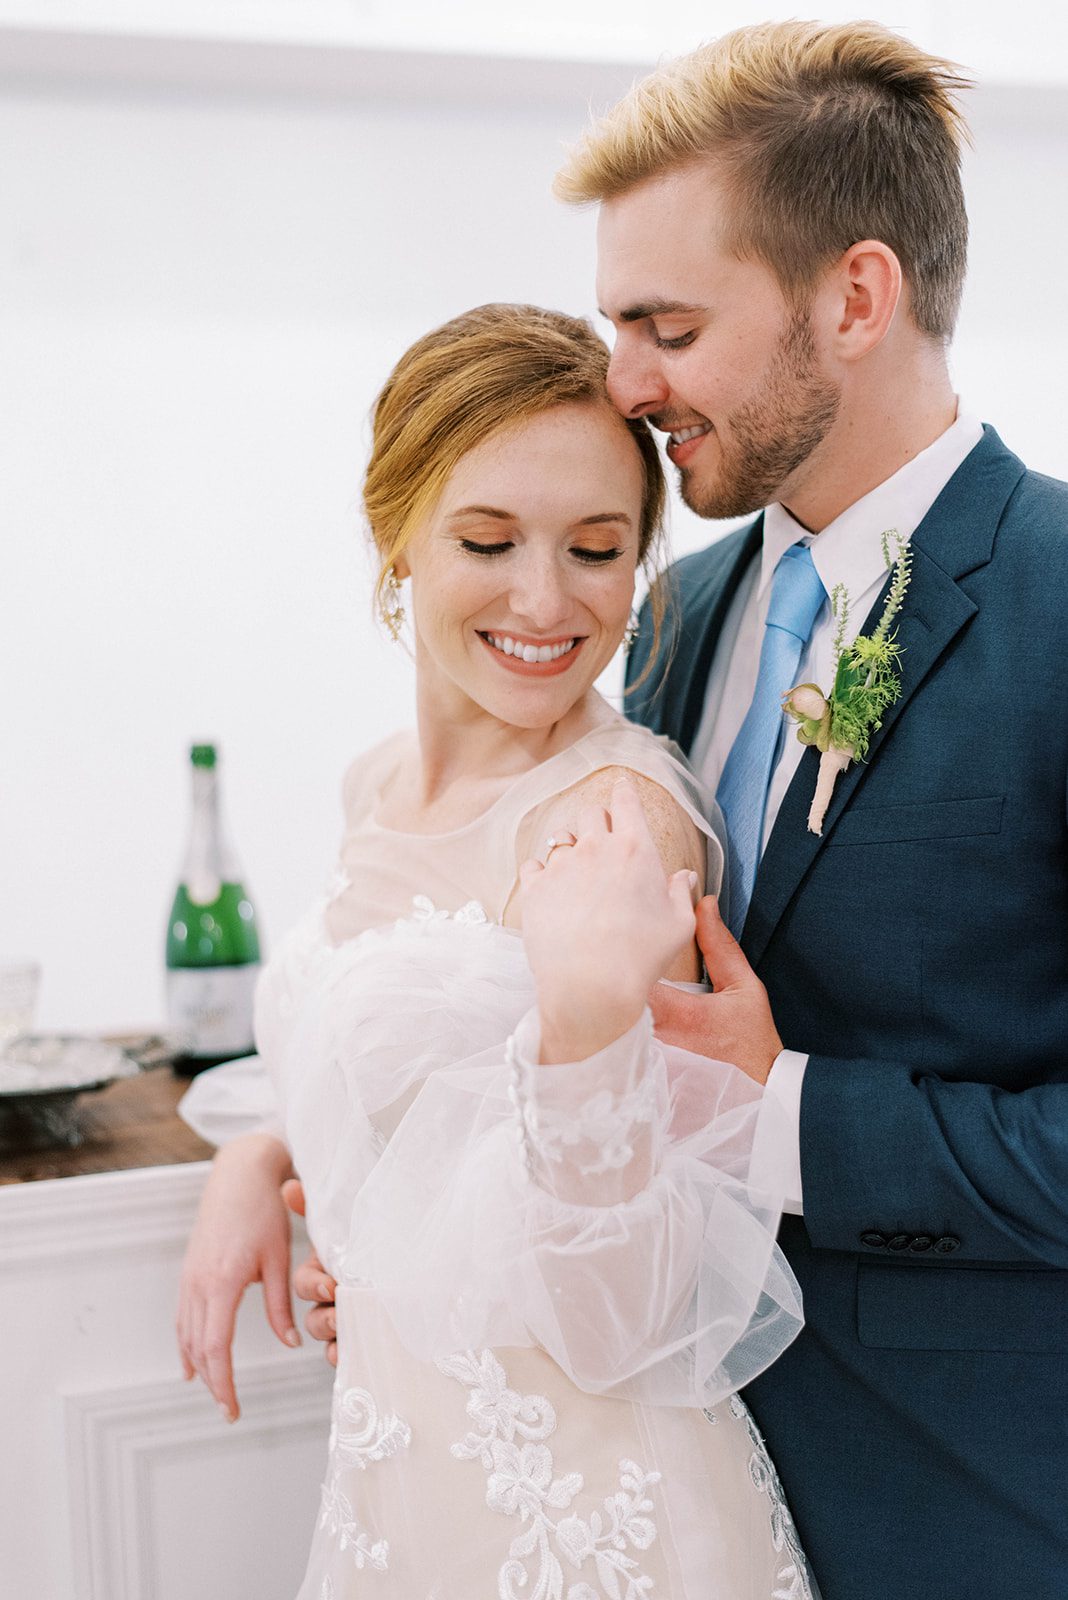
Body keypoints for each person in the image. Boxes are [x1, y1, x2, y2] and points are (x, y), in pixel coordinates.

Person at [178, 303, 816, 1599]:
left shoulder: (616, 823)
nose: (546, 600)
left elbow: (632, 1312)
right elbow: (403, 1070)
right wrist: (263, 1149)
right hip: (404, 1492)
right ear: (396, 531)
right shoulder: (375, 787)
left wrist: (586, 1028)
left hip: (587, 1517)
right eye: (488, 539)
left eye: (597, 549)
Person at [548, 18, 1068, 1600]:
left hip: (970, 1510)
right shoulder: (672, 612)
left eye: (668, 324)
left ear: (855, 296)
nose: (624, 384)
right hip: (677, 1486)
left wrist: (785, 1122)